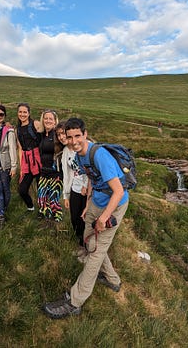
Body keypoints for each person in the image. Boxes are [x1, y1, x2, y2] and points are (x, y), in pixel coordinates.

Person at [42, 117, 129, 319]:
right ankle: (113, 280)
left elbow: (117, 191)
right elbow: (91, 177)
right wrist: (89, 205)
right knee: (91, 242)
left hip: (114, 205)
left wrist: (103, 217)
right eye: (69, 137)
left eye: (77, 136)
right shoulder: (79, 154)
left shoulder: (99, 155)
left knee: (96, 252)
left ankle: (75, 301)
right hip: (96, 201)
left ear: (85, 134)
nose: (73, 141)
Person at [57, 122, 88, 253]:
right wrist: (66, 195)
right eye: (59, 135)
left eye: (64, 134)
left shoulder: (82, 147)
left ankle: (85, 244)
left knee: (85, 218)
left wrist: (86, 185)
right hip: (74, 188)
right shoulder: (65, 152)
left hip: (87, 190)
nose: (62, 137)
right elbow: (67, 173)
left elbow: (90, 168)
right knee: (74, 218)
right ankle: (80, 240)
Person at [37, 109, 64, 223]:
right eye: (46, 118)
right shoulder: (41, 135)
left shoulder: (57, 135)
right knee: (41, 197)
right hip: (43, 171)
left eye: (50, 119)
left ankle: (57, 219)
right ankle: (46, 216)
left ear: (55, 121)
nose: (48, 120)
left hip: (55, 172)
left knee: (54, 199)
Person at [16, 103, 42, 212]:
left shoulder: (35, 124)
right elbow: (20, 148)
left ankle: (43, 210)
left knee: (41, 187)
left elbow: (46, 135)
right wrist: (22, 168)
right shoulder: (17, 129)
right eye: (20, 112)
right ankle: (30, 207)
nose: (22, 114)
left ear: (29, 113)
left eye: (24, 112)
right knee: (22, 189)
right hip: (27, 161)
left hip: (39, 159)